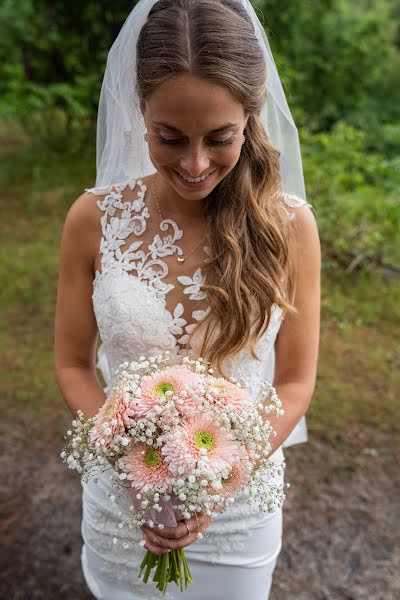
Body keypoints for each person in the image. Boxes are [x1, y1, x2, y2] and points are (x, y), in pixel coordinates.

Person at [54, 0, 320, 598]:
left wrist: (228, 473)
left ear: (251, 119)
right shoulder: (94, 219)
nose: (195, 164)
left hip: (240, 504)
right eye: (169, 138)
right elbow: (73, 362)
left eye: (220, 138)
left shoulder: (290, 226)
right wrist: (127, 456)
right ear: (138, 114)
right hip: (125, 501)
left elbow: (296, 381)